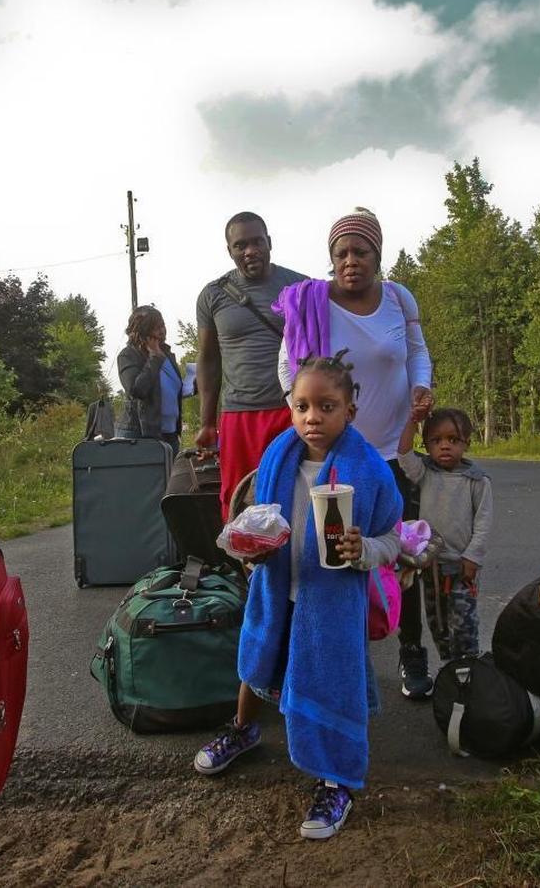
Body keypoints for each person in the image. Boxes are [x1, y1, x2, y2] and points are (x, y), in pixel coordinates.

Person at [193, 354, 401, 839]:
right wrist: (252, 551)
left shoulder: (369, 471)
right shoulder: (277, 457)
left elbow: (394, 537)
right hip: (277, 589)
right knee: (257, 664)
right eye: (303, 406)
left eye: (327, 406)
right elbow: (260, 518)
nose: (313, 417)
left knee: (329, 682)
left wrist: (363, 549)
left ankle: (337, 780)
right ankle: (244, 730)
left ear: (350, 410)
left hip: (330, 605)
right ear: (290, 408)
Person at [273, 207, 437, 699]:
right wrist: (307, 421)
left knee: (404, 552)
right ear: (330, 259)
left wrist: (422, 387)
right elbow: (288, 368)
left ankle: (412, 655)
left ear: (377, 255)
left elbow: (416, 353)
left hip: (390, 451)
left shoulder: (398, 298)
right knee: (331, 557)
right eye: (340, 253)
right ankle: (334, 659)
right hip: (334, 457)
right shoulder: (311, 303)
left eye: (360, 252)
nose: (350, 261)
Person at [195, 212, 306, 516]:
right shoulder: (212, 295)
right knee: (239, 501)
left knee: (294, 496)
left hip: (290, 412)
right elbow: (207, 360)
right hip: (238, 415)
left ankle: (294, 563)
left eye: (257, 242)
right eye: (240, 245)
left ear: (269, 242)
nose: (250, 251)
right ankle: (244, 564)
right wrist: (207, 423)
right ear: (229, 250)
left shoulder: (300, 287)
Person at [396, 407, 492, 661]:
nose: (445, 446)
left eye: (453, 440)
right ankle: (451, 674)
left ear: (467, 443)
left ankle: (469, 670)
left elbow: (483, 523)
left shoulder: (477, 481)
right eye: (436, 441)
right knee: (437, 623)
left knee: (464, 625)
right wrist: (412, 420)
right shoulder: (425, 473)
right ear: (426, 445)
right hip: (432, 567)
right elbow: (404, 455)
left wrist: (472, 558)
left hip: (461, 568)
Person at [115, 305, 183, 455]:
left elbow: (169, 390)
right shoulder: (128, 355)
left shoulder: (167, 354)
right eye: (156, 327)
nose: (162, 331)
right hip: (141, 434)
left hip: (169, 433)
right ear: (144, 332)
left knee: (171, 478)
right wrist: (154, 359)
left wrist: (196, 385)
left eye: (163, 325)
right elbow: (137, 390)